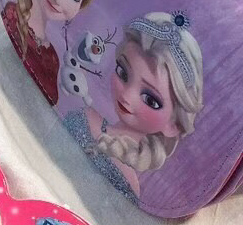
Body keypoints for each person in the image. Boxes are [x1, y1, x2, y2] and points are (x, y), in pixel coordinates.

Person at [63, 11, 203, 201]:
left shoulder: (130, 182)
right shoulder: (86, 118)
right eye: (123, 73)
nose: (127, 96)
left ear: (174, 125)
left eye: (151, 100)